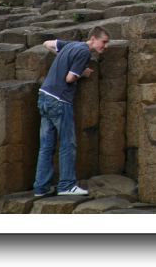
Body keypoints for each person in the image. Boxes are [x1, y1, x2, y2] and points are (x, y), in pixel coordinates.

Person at [33, 26, 110, 198]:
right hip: (59, 100)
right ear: (93, 38)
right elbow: (69, 78)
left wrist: (63, 59)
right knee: (68, 144)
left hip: (44, 96)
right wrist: (82, 73)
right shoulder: (84, 53)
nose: (105, 46)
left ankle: (41, 188)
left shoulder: (69, 45)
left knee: (46, 146)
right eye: (103, 42)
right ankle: (66, 185)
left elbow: (47, 43)